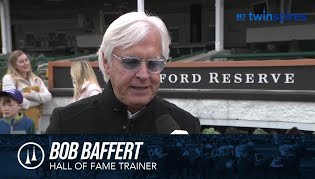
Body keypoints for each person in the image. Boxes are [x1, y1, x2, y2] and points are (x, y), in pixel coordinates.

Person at [45, 11, 200, 134]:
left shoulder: (185, 125)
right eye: (131, 62)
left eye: (154, 63)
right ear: (106, 63)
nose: (144, 75)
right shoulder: (67, 124)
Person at [2, 50, 52, 130]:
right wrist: (38, 102)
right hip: (17, 124)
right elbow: (11, 100)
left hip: (36, 122)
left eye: (26, 60)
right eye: (21, 61)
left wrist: (29, 95)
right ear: (14, 65)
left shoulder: (36, 79)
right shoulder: (8, 79)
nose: (26, 63)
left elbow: (48, 97)